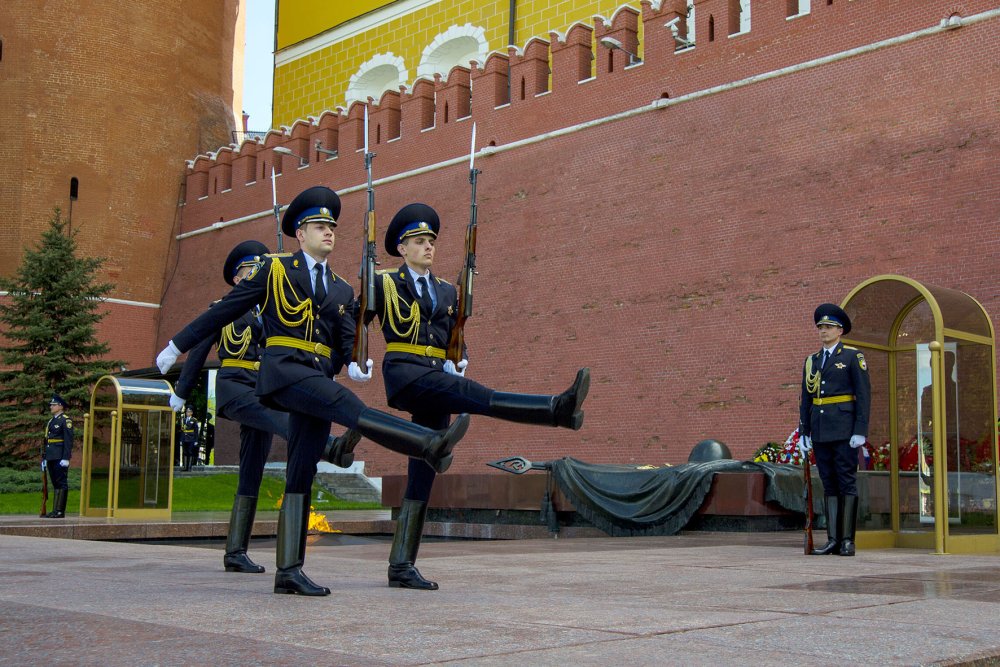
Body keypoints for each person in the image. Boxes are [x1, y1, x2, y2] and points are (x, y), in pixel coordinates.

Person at [156, 186, 471, 597]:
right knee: (348, 407)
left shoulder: (340, 288)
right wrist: (178, 345)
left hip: (318, 378)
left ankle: (288, 570)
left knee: (302, 468)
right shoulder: (273, 269)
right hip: (285, 373)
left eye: (332, 227)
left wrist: (355, 362)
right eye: (320, 226)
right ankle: (426, 442)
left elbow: (342, 340)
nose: (328, 232)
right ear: (300, 234)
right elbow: (224, 310)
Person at [368, 203, 590, 590]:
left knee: (422, 470)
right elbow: (347, 318)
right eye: (419, 242)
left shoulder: (444, 290)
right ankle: (554, 409)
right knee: (472, 395)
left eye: (431, 242)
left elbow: (455, 333)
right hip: (405, 373)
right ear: (401, 249)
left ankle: (401, 564)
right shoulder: (384, 282)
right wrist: (344, 355)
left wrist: (461, 356)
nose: (428, 248)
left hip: (436, 376)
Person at [171, 239, 362, 574]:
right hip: (234, 386)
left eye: (257, 270)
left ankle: (235, 551)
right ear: (236, 278)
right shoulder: (226, 305)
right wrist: (182, 391)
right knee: (276, 419)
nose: (253, 276)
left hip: (262, 388)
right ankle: (330, 447)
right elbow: (199, 353)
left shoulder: (272, 305)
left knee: (252, 471)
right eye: (248, 271)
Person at [798, 303, 871, 557]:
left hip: (844, 430)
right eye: (820, 327)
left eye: (828, 327)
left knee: (846, 483)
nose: (823, 331)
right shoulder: (812, 361)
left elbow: (863, 395)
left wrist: (860, 430)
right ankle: (832, 539)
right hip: (820, 430)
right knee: (828, 485)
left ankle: (847, 541)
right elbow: (806, 399)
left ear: (840, 330)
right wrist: (803, 432)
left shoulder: (852, 357)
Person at [41, 394, 73, 518]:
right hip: (51, 456)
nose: (51, 407)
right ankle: (55, 510)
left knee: (61, 482)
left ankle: (60, 511)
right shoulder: (52, 421)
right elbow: (47, 440)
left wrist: (66, 458)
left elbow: (68, 441)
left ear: (60, 406)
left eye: (53, 405)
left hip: (60, 457)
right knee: (55, 483)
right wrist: (44, 457)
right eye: (51, 405)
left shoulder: (66, 420)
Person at [179, 406, 200, 472]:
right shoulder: (184, 420)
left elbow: (196, 431)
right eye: (187, 411)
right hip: (184, 438)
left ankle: (189, 467)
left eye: (189, 411)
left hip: (191, 438)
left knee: (190, 452)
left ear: (191, 413)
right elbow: (182, 431)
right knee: (185, 452)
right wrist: (181, 439)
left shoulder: (194, 420)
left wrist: (196, 440)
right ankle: (185, 467)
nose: (187, 413)